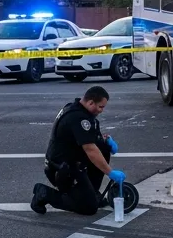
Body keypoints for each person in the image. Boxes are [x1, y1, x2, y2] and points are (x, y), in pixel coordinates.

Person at [31, 85, 125, 214]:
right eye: (100, 107)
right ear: (91, 102)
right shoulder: (78, 118)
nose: (101, 110)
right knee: (89, 208)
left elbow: (92, 138)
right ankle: (45, 193)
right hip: (61, 169)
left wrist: (107, 141)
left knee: (103, 147)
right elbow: (90, 149)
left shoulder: (81, 110)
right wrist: (110, 172)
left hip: (73, 161)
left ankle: (91, 192)